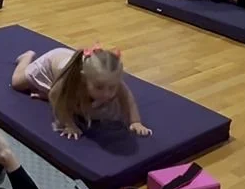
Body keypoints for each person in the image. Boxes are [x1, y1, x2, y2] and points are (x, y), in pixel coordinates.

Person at [11, 45, 151, 140]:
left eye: (111, 88)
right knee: (17, 83)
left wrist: (135, 121)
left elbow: (126, 97)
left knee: (86, 108)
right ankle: (26, 58)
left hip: (71, 69)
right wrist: (69, 124)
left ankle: (44, 92)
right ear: (84, 78)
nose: (107, 94)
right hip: (52, 62)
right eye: (100, 87)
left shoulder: (109, 78)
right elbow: (54, 95)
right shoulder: (71, 79)